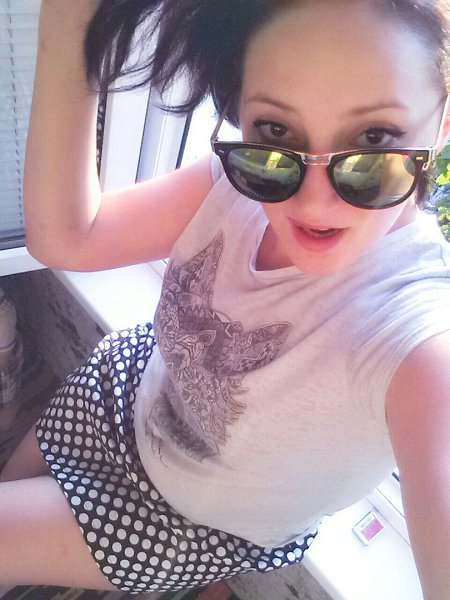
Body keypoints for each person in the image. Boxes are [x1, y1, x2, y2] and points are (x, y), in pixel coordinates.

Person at [1, 0, 449, 597]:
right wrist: (73, 19)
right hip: (128, 386)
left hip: (188, 523)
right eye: (275, 133)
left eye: (374, 141)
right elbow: (69, 237)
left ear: (441, 125)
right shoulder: (238, 183)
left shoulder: (417, 332)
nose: (313, 202)